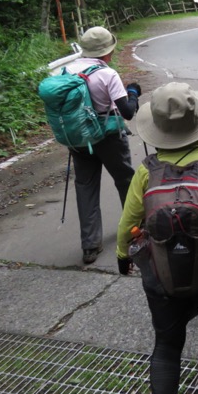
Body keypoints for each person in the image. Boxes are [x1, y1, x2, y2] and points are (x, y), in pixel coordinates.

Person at [116, 83, 198, 394]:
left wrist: (124, 256)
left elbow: (127, 224)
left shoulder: (147, 170)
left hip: (162, 272)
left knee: (166, 344)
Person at [69, 26, 141, 265]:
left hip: (79, 138)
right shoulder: (107, 74)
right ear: (107, 51)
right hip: (108, 136)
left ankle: (90, 246)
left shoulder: (67, 70)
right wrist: (133, 93)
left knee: (85, 186)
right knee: (126, 181)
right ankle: (134, 233)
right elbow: (128, 112)